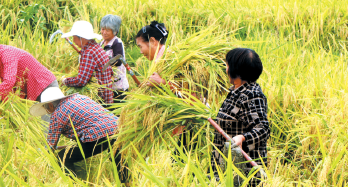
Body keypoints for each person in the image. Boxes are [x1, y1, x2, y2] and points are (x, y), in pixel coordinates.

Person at [29, 87, 128, 183]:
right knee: (118, 158)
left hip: (97, 136)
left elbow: (51, 146)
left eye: (46, 108)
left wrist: (42, 152)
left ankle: (73, 184)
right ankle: (127, 182)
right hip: (117, 128)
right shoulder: (81, 98)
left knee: (63, 157)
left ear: (50, 105)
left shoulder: (57, 114)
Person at [135, 21, 197, 162]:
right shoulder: (160, 60)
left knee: (184, 162)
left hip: (190, 118)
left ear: (152, 41)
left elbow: (188, 90)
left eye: (140, 46)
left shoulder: (170, 59)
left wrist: (162, 83)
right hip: (182, 119)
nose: (140, 51)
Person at [211, 48, 269, 186]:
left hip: (243, 172)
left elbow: (263, 128)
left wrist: (243, 138)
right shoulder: (236, 92)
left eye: (227, 65)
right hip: (226, 166)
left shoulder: (252, 95)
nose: (226, 69)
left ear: (235, 69)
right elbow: (229, 121)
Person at [0, 30, 58, 105]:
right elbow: (11, 86)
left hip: (44, 86)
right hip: (34, 91)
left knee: (49, 123)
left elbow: (9, 81)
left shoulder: (6, 53)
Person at [61, 21, 114, 104]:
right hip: (107, 95)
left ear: (81, 38)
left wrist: (65, 81)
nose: (74, 41)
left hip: (100, 101)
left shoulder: (88, 52)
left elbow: (81, 80)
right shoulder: (96, 47)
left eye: (74, 37)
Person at [99, 14, 129, 102]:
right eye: (103, 29)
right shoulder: (101, 43)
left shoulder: (117, 43)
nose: (104, 32)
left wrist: (101, 63)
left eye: (107, 30)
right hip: (106, 86)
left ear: (115, 31)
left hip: (117, 87)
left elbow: (118, 61)